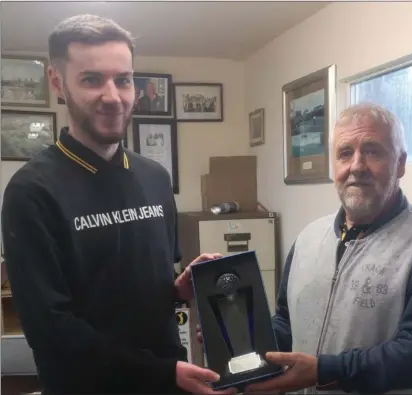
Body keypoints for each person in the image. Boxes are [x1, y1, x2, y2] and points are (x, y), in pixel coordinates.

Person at [1, 14, 236, 395]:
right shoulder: (31, 191)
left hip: (169, 382)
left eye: (123, 79)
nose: (113, 96)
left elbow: (139, 289)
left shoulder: (155, 178)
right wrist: (161, 372)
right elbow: (51, 329)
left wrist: (177, 288)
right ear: (57, 82)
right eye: (92, 79)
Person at [243, 103, 412, 394]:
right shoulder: (308, 238)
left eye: (372, 151)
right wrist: (244, 343)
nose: (357, 166)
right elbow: (285, 322)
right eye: (345, 153)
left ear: (401, 163)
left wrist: (324, 371)